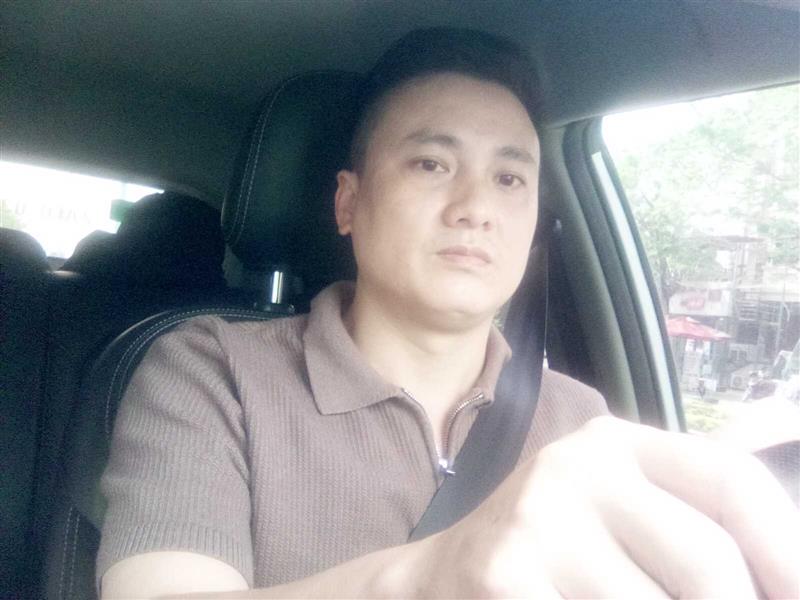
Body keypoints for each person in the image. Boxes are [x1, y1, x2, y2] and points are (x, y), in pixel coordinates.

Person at [99, 28, 799, 599]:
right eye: (431, 164)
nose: (476, 208)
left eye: (509, 177)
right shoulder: (210, 370)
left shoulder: (581, 422)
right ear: (348, 203)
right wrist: (432, 574)